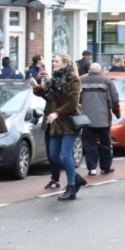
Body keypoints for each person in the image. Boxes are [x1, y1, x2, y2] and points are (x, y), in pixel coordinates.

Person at [32, 53, 83, 201]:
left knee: (66, 155)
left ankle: (71, 187)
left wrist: (56, 112)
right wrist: (37, 85)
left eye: (56, 61)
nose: (53, 63)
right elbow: (47, 96)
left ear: (65, 64)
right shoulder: (55, 79)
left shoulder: (73, 79)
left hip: (69, 121)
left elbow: (72, 103)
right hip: (55, 123)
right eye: (53, 61)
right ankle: (77, 177)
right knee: (53, 156)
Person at [80, 63, 120, 176]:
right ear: (100, 71)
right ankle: (105, 167)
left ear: (89, 71)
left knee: (90, 145)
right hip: (103, 119)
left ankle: (92, 168)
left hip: (86, 119)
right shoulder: (107, 81)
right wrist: (117, 113)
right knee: (105, 144)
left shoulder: (82, 82)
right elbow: (114, 99)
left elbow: (77, 99)